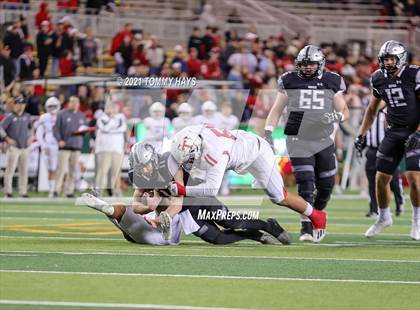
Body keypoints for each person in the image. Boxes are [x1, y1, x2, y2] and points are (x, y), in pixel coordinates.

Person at [80, 142, 289, 245]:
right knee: (217, 239)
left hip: (197, 196)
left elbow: (178, 199)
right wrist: (149, 207)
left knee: (231, 222)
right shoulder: (141, 174)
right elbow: (136, 204)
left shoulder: (169, 163)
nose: (144, 171)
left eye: (146, 165)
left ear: (154, 159)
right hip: (183, 211)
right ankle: (256, 236)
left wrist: (163, 215)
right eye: (139, 166)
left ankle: (268, 225)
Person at [159, 124, 328, 242]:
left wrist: (182, 189)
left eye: (190, 159)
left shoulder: (216, 154)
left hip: (256, 155)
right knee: (193, 176)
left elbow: (210, 189)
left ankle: (317, 216)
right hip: (238, 142)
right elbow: (178, 156)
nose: (187, 163)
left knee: (279, 197)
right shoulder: (187, 136)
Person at [264, 45, 349, 241]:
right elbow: (277, 110)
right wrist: (268, 132)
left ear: (320, 64)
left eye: (311, 63)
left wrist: (334, 116)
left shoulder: (332, 80)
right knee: (306, 184)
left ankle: (317, 215)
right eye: (304, 64)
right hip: (298, 139)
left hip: (323, 140)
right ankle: (306, 227)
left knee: (326, 187)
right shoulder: (289, 80)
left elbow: (345, 112)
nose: (308, 67)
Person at [355, 40, 420, 240]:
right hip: (393, 132)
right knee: (381, 178)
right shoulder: (378, 78)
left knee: (414, 179)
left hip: (415, 131)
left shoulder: (414, 74)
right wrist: (362, 133)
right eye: (385, 59)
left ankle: (417, 220)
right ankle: (384, 217)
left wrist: (418, 132)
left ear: (400, 59)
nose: (388, 62)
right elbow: (372, 109)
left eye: (392, 58)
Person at [363, 104, 405, 217]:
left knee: (393, 180)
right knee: (372, 182)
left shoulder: (390, 110)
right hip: (372, 150)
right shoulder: (369, 111)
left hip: (388, 150)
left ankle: (399, 203)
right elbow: (365, 130)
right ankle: (374, 208)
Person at [53, 96, 88, 198]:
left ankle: (69, 191)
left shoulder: (82, 115)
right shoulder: (62, 114)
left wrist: (84, 132)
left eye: (76, 102)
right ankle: (56, 190)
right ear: (69, 103)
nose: (74, 104)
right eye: (72, 102)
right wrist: (59, 140)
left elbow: (85, 129)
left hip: (76, 146)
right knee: (61, 169)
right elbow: (56, 129)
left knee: (73, 170)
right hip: (65, 146)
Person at [0, 96, 32, 198]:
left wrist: (31, 137)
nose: (21, 106)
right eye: (19, 104)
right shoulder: (10, 116)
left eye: (23, 104)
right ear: (15, 105)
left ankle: (23, 192)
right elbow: (0, 128)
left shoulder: (27, 116)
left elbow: (31, 128)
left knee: (24, 170)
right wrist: (7, 138)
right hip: (14, 147)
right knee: (10, 170)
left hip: (25, 147)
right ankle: (8, 192)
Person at [95, 101, 127, 197]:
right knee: (102, 171)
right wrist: (112, 121)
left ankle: (116, 191)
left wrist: (112, 125)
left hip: (117, 149)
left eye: (115, 108)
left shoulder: (121, 118)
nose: (113, 110)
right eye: (111, 108)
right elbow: (105, 128)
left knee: (116, 172)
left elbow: (122, 128)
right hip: (104, 149)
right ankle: (98, 191)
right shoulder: (101, 118)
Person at [35, 97, 60, 198]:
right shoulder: (44, 117)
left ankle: (56, 189)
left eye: (54, 106)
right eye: (50, 106)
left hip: (60, 145)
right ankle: (51, 190)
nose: (53, 108)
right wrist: (43, 145)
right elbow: (39, 133)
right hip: (48, 144)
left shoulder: (61, 115)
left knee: (58, 168)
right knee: (50, 168)